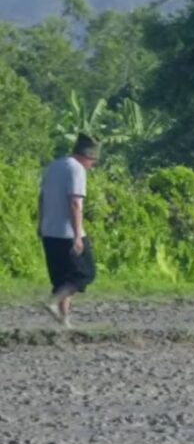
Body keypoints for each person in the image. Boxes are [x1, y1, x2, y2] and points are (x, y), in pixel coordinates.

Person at [38, 133, 99, 328]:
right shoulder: (76, 169)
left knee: (62, 278)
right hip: (67, 233)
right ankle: (54, 301)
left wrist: (41, 223)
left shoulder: (54, 166)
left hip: (49, 231)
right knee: (84, 273)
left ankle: (64, 322)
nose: (92, 166)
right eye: (93, 161)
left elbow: (41, 197)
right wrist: (77, 237)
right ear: (87, 156)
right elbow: (74, 203)